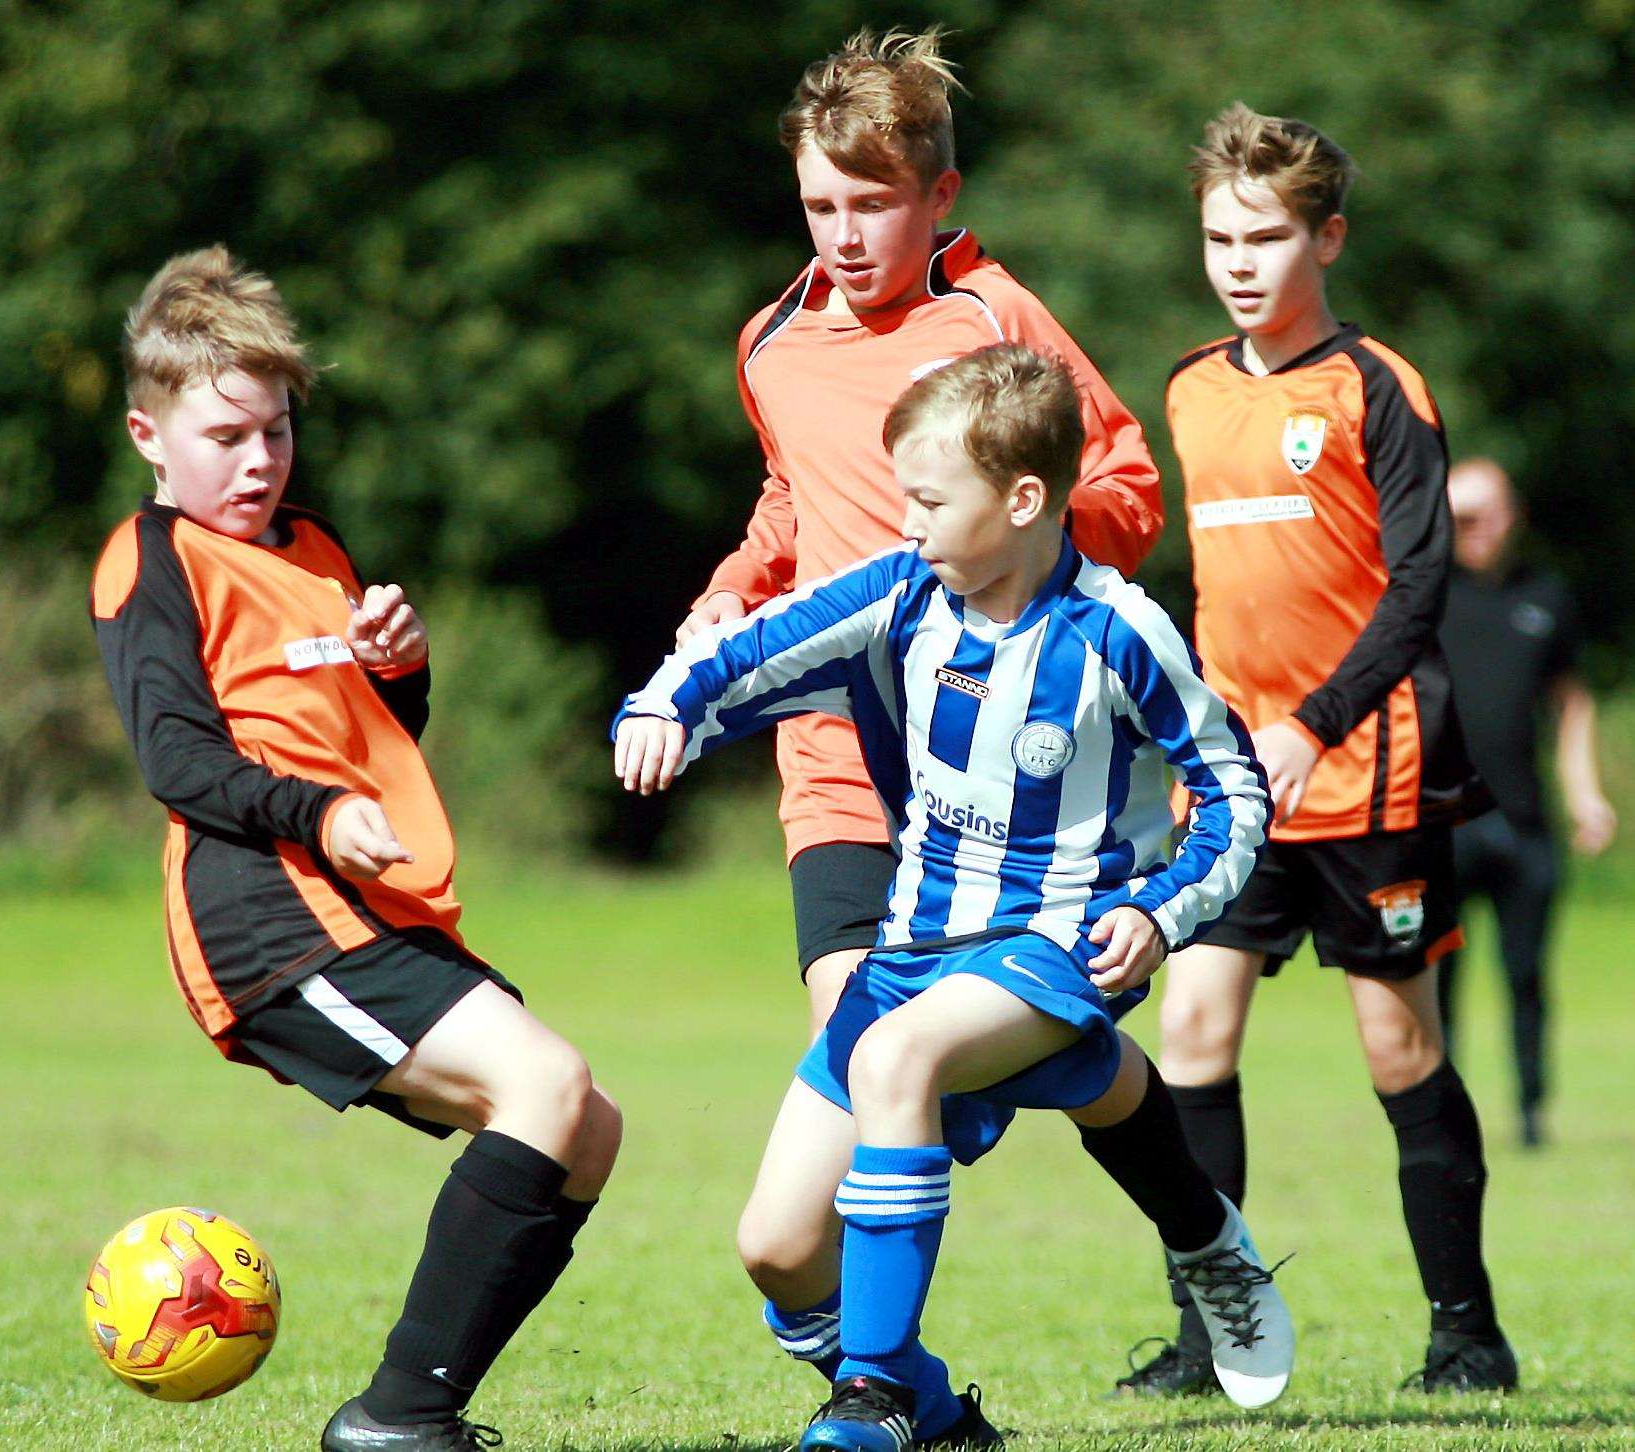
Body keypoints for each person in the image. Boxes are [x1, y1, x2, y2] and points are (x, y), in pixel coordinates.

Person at [619, 345, 1291, 1450]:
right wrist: (660, 711)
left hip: (1057, 942)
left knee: (898, 1064)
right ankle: (943, 1410)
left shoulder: (1119, 633)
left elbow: (1232, 799)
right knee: (778, 1252)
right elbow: (749, 652)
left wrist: (1159, 913)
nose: (908, 522)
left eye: (929, 499)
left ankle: (872, 1398)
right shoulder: (900, 598)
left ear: (1023, 499)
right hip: (912, 948)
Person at [90, 246, 622, 1452]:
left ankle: (409, 1413)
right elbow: (176, 759)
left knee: (583, 1126)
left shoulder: (313, 550)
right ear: (147, 435)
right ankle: (400, 1417)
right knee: (540, 1085)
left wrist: (400, 666)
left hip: (358, 901)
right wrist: (320, 815)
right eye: (225, 436)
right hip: (263, 910)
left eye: (276, 432)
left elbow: (371, 741)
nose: (259, 460)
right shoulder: (154, 559)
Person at [1118, 104, 1515, 1398]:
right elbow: (1209, 594)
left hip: (1365, 770)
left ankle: (1464, 1335)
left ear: (1324, 239)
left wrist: (1312, 724)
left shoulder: (1375, 389)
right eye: (1216, 237)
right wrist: (1202, 737)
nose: (1236, 260)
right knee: (1188, 1032)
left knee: (1395, 1050)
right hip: (1234, 783)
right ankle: (1208, 1338)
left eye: (1264, 237)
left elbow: (1416, 587)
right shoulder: (1183, 387)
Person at [676, 28, 1163, 1044]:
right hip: (837, 755)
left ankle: (1184, 1195)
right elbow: (787, 494)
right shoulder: (770, 343)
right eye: (820, 208)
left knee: (1016, 1061)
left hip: (992, 750)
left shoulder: (992, 317)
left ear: (939, 200)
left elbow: (1127, 485)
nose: (844, 236)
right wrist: (731, 587)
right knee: (855, 1055)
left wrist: (1018, 545)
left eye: (872, 204)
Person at [1440, 456, 1617, 1147]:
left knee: (1526, 975)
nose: (1472, 530)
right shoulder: (1421, 595)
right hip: (1440, 821)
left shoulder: (1547, 597)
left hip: (1525, 821)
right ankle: (1444, 1115)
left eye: (1484, 514)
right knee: (1437, 981)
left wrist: (1586, 795)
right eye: (1458, 518)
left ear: (1514, 517)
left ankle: (1531, 1111)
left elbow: (1571, 703)